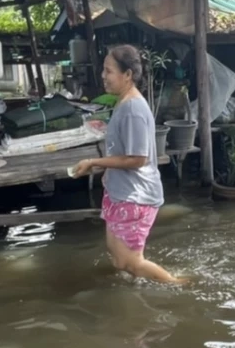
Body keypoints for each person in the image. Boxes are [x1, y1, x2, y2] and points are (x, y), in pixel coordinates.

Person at [71, 45, 182, 285]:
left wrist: (94, 162)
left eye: (109, 71)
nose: (103, 76)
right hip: (121, 191)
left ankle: (177, 285)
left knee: (131, 262)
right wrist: (108, 172)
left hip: (136, 195)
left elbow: (138, 158)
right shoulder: (123, 102)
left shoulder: (133, 108)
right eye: (103, 70)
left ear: (128, 74)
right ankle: (129, 290)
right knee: (115, 251)